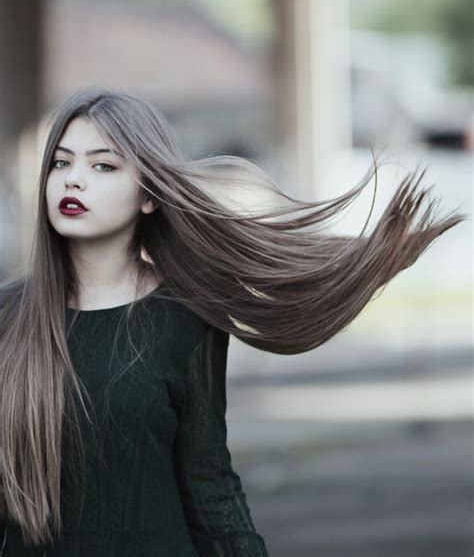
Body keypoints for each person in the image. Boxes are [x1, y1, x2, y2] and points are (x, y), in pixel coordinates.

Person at [0, 87, 467, 556]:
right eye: (61, 163)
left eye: (103, 165)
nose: (73, 181)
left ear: (149, 196)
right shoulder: (9, 316)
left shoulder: (185, 316)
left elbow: (210, 484)